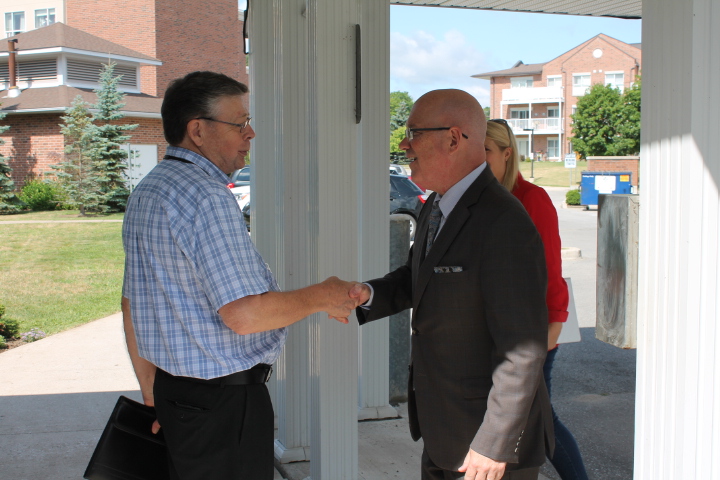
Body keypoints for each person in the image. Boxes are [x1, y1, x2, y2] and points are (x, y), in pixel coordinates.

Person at [121, 71, 359, 480]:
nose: (251, 134)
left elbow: (132, 302)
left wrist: (152, 391)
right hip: (222, 409)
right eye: (240, 123)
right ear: (198, 130)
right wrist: (324, 294)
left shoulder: (150, 189)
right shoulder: (206, 196)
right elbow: (243, 315)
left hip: (177, 397)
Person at [349, 89, 553, 480]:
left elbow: (523, 349)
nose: (404, 144)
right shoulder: (436, 205)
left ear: (453, 138)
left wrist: (493, 443)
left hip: (486, 447)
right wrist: (367, 295)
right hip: (444, 431)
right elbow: (416, 279)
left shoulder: (503, 221)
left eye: (413, 132)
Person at [485, 119, 589, 480]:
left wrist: (551, 333)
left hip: (534, 335)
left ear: (506, 154)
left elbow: (551, 271)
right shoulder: (482, 200)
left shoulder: (532, 199)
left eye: (486, 151)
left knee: (542, 420)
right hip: (496, 334)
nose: (478, 160)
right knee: (514, 418)